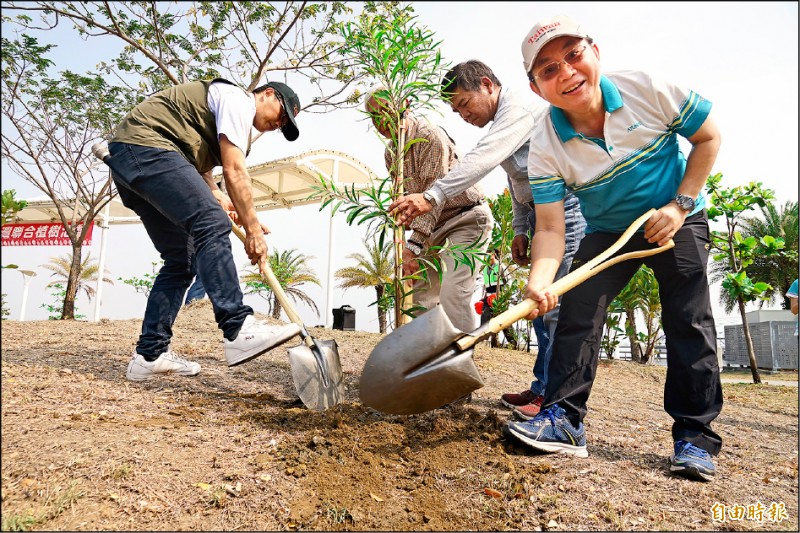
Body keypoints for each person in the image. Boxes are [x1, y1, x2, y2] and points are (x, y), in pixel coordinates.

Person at [505, 15, 723, 482]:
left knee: (688, 317)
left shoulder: (648, 88)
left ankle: (694, 438)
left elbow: (708, 138)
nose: (565, 71)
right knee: (578, 308)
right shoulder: (545, 144)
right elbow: (549, 228)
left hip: (674, 214)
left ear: (595, 51)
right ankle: (564, 421)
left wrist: (681, 205)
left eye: (573, 54)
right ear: (536, 87)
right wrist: (540, 281)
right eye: (547, 69)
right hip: (608, 230)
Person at [389, 60, 586, 418]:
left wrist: (431, 196)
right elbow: (520, 178)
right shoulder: (507, 122)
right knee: (540, 311)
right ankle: (542, 387)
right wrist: (521, 227)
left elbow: (485, 157)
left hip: (566, 210)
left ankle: (554, 399)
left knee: (554, 307)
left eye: (464, 103)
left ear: (487, 85)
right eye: (455, 110)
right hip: (542, 214)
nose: (462, 115)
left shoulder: (520, 109)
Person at [103, 78, 304, 381]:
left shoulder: (219, 123)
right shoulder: (238, 100)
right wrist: (252, 230)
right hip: (146, 147)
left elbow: (201, 173)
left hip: (134, 162)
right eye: (282, 114)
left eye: (285, 124)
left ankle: (149, 355)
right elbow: (235, 172)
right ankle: (237, 327)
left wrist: (228, 203)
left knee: (182, 259)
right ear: (267, 94)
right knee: (211, 222)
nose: (280, 123)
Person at [365, 85, 493, 333]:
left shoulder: (429, 136)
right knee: (420, 298)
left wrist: (412, 247)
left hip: (465, 217)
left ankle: (459, 362)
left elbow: (434, 197)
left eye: (384, 111)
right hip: (430, 227)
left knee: (454, 294)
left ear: (404, 105)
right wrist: (404, 244)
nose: (380, 121)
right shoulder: (392, 153)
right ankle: (427, 360)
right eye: (374, 116)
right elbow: (405, 202)